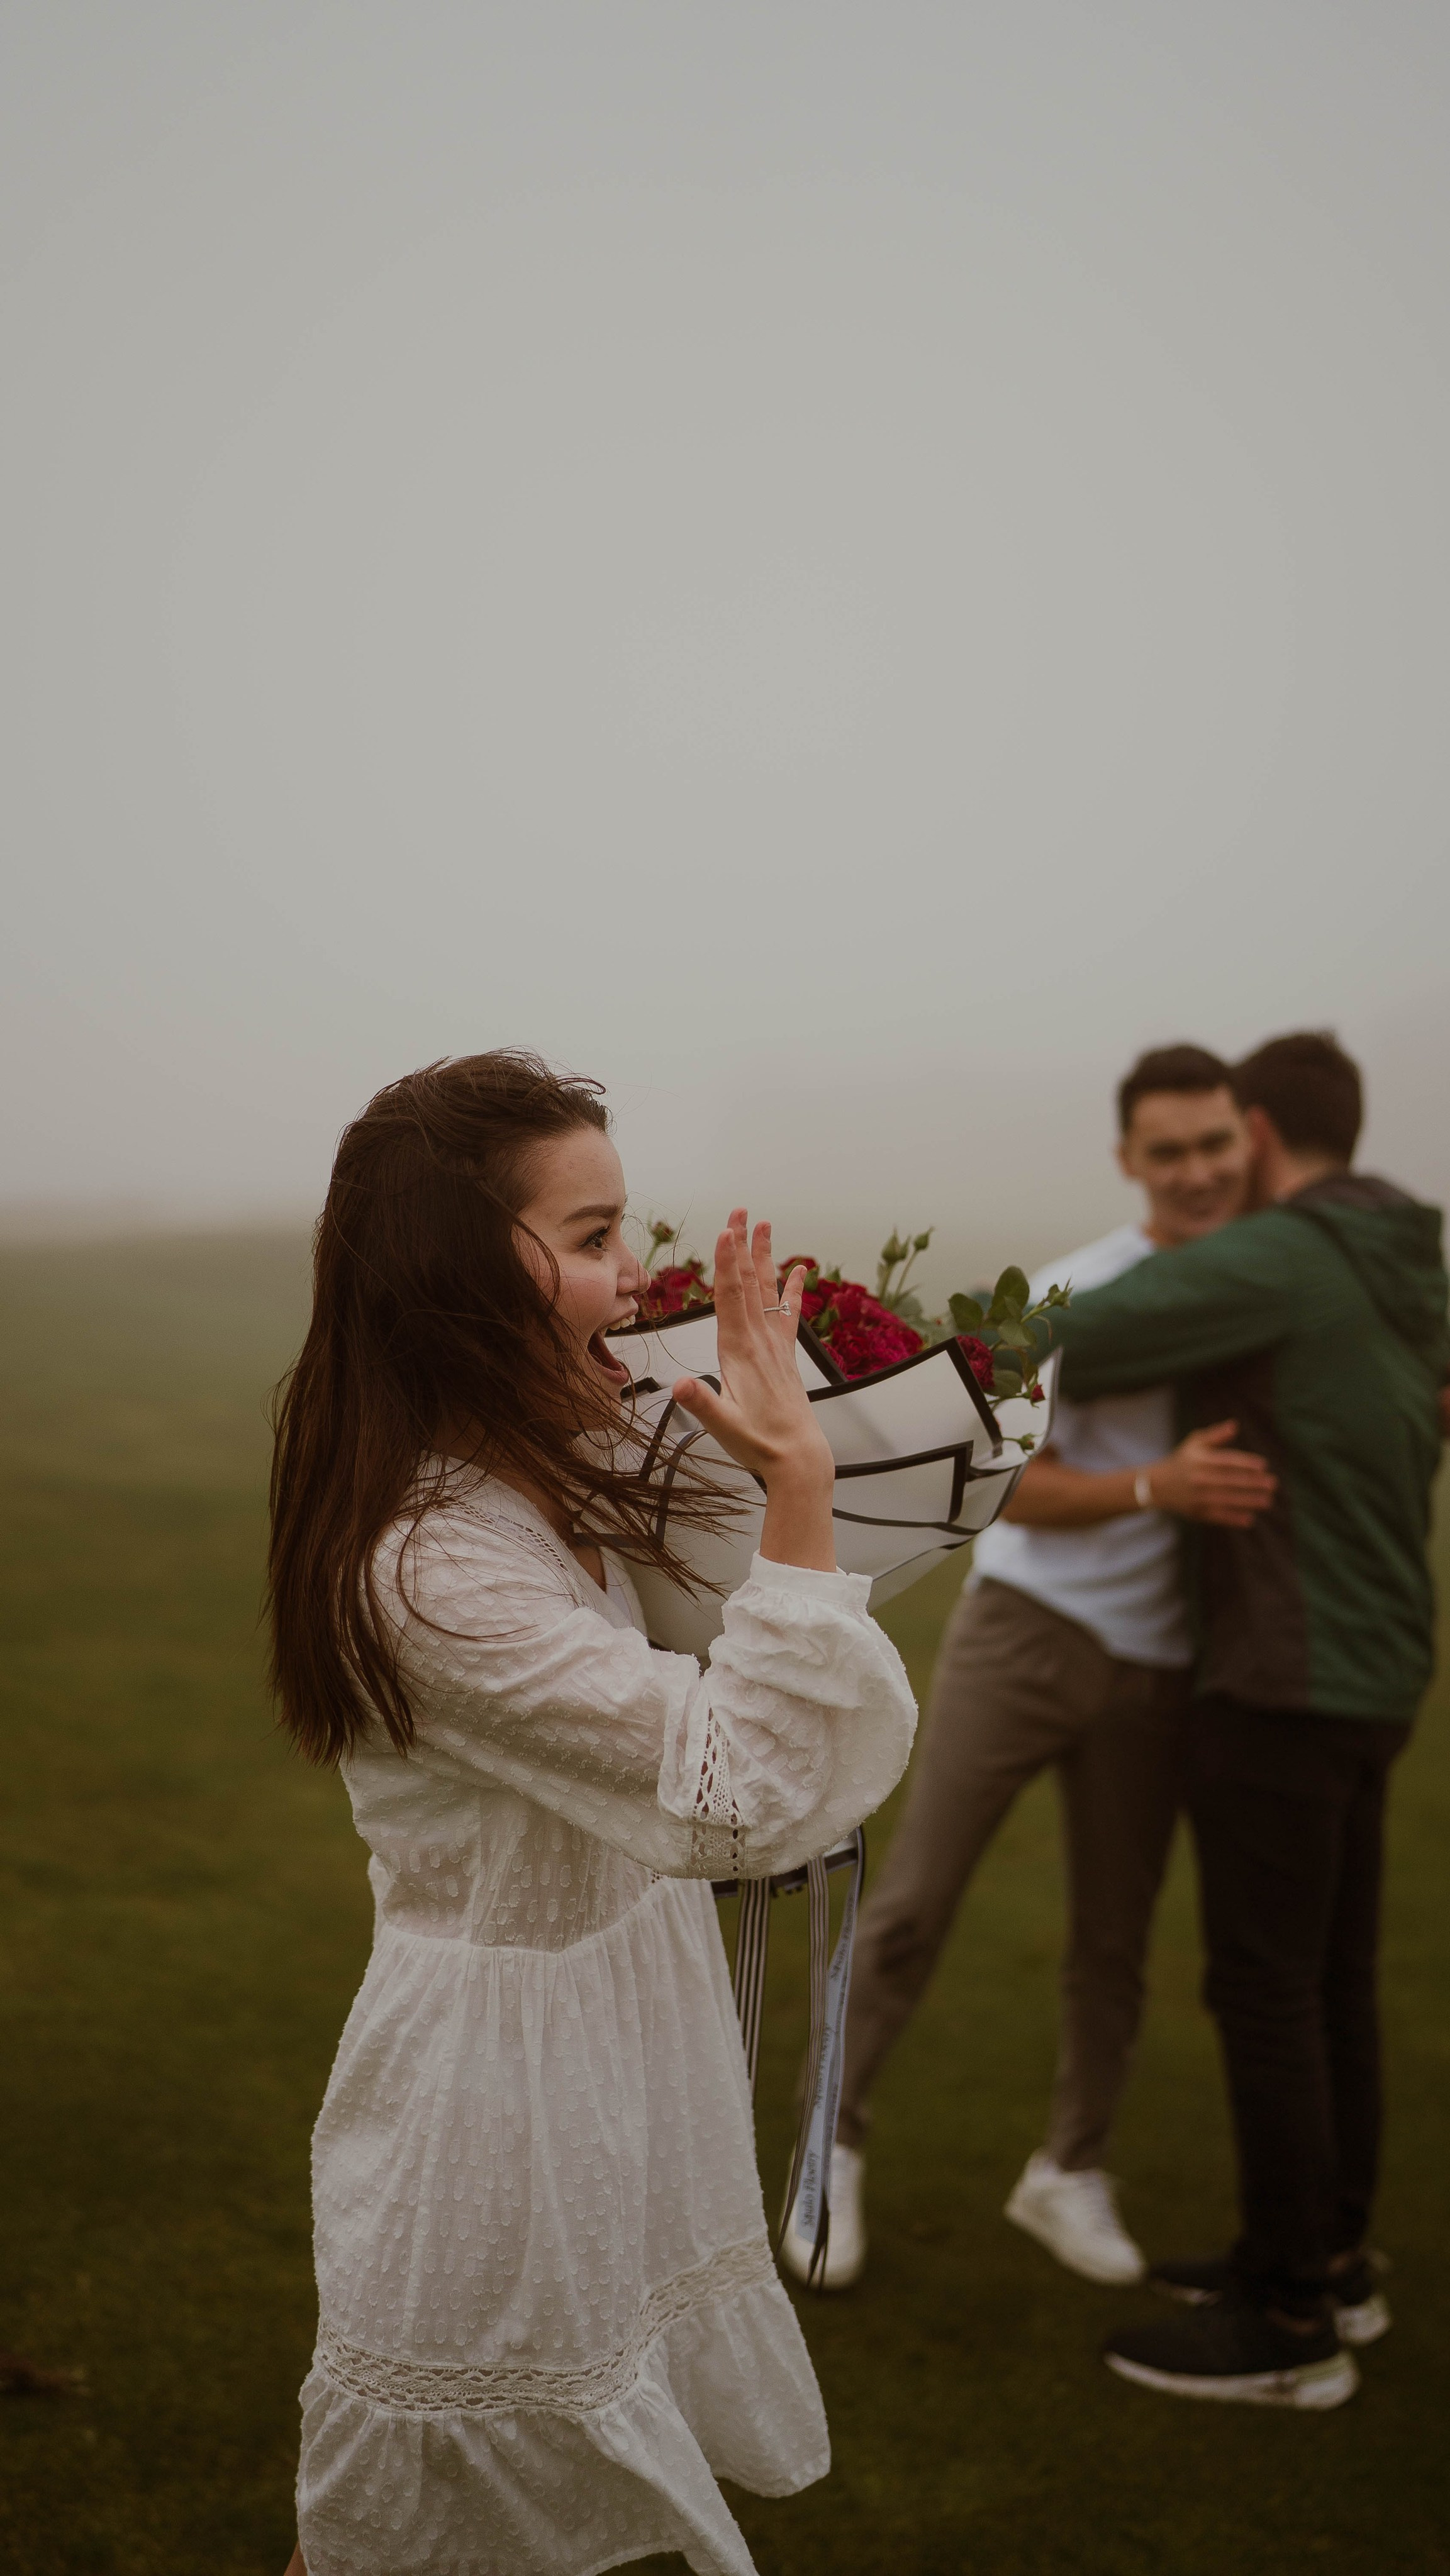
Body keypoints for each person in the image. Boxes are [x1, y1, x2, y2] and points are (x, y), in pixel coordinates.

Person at [267, 1052, 916, 2576]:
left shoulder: (551, 1459)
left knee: (572, 2504)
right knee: (400, 2522)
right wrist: (804, 1487)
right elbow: (737, 1790)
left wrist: (799, 1435)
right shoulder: (432, 1560)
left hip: (617, 2036)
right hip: (491, 2095)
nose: (634, 1284)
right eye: (595, 1236)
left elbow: (716, 1604)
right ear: (458, 1264)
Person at [783, 1046, 1276, 2292]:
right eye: (1167, 1151)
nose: (1197, 1169)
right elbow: (998, 1488)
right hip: (1028, 1632)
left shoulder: (1270, 1282)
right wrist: (1152, 1487)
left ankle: (1070, 2166)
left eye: (1214, 1142)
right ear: (1128, 1161)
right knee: (911, 1908)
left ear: (1247, 1138)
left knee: (1113, 1940)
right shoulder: (1073, 1292)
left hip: (1165, 1660)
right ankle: (824, 2146)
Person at [1031, 1031, 1447, 2409]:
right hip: (1376, 1665)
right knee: (1327, 1976)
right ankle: (1331, 2260)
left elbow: (1069, 1337)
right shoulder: (1403, 1247)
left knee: (1266, 1986)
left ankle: (1287, 2327)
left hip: (1285, 1667)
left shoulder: (1285, 1251)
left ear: (1257, 1129)